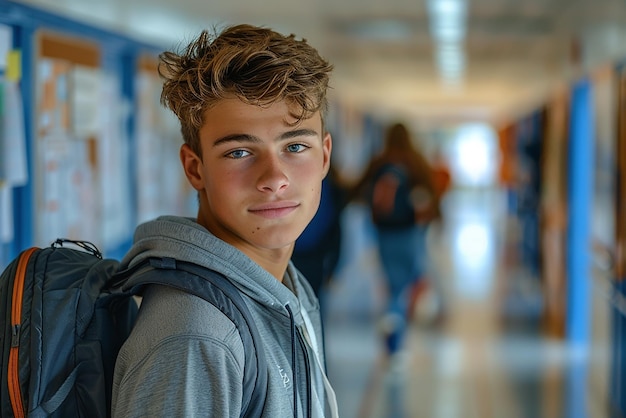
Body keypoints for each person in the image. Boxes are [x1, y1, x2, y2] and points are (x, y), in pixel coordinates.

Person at [112, 24, 338, 418]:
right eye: (239, 152)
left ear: (324, 156)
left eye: (296, 146)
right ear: (195, 169)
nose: (273, 178)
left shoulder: (284, 288)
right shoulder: (197, 336)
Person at [349, 122, 438, 356]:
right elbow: (432, 196)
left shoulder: (379, 161)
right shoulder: (416, 162)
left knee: (392, 282)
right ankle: (396, 324)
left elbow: (357, 190)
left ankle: (393, 323)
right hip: (411, 233)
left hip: (383, 233)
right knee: (411, 278)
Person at [291, 164, 347, 299]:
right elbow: (334, 228)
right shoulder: (331, 183)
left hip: (297, 252)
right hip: (314, 254)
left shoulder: (327, 185)